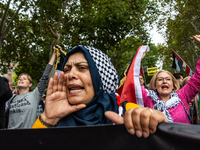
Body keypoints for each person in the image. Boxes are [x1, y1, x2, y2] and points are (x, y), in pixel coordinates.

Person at [32, 45, 167, 138]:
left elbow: (162, 132)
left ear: (100, 77)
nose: (70, 74)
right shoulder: (51, 117)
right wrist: (48, 119)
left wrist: (153, 120)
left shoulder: (122, 110)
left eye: (82, 67)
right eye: (66, 69)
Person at [120, 35, 200, 124]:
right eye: (160, 79)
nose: (164, 81)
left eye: (168, 79)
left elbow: (198, 78)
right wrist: (137, 60)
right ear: (155, 84)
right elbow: (131, 82)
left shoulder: (183, 95)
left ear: (173, 84)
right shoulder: (147, 98)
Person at [6, 46, 57, 129]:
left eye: (24, 78)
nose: (20, 80)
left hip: (28, 137)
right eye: (19, 78)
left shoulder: (34, 95)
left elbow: (44, 77)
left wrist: (54, 56)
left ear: (30, 84)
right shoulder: (11, 98)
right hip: (10, 137)